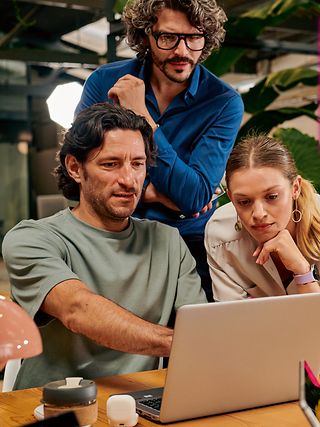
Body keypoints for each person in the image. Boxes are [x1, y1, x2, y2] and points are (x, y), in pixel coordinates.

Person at [2, 103, 207, 390]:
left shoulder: (168, 241)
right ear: (75, 167)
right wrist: (180, 343)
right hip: (52, 405)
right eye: (110, 164)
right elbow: (78, 310)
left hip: (137, 404)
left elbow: (200, 327)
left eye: (137, 164)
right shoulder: (31, 239)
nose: (128, 180)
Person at [75, 0, 244, 301]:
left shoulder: (223, 102)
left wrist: (143, 117)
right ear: (145, 36)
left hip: (187, 242)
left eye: (194, 37)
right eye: (168, 37)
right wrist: (151, 193)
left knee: (193, 337)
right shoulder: (104, 83)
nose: (182, 51)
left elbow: (193, 196)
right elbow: (75, 175)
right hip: (111, 234)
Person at [204, 134, 320, 301]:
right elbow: (232, 322)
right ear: (231, 198)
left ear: (295, 188)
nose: (258, 213)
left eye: (272, 197)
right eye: (244, 201)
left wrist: (302, 272)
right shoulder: (220, 234)